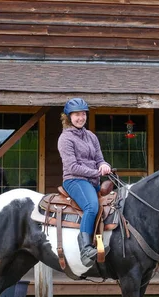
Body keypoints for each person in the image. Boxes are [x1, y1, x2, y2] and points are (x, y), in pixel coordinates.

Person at [57, 98, 111, 268]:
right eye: (76, 115)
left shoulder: (91, 136)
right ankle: (86, 249)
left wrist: (104, 165)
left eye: (83, 114)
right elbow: (73, 167)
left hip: (92, 181)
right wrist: (96, 172)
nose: (81, 118)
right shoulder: (65, 139)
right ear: (68, 117)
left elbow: (99, 159)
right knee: (91, 206)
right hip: (75, 180)